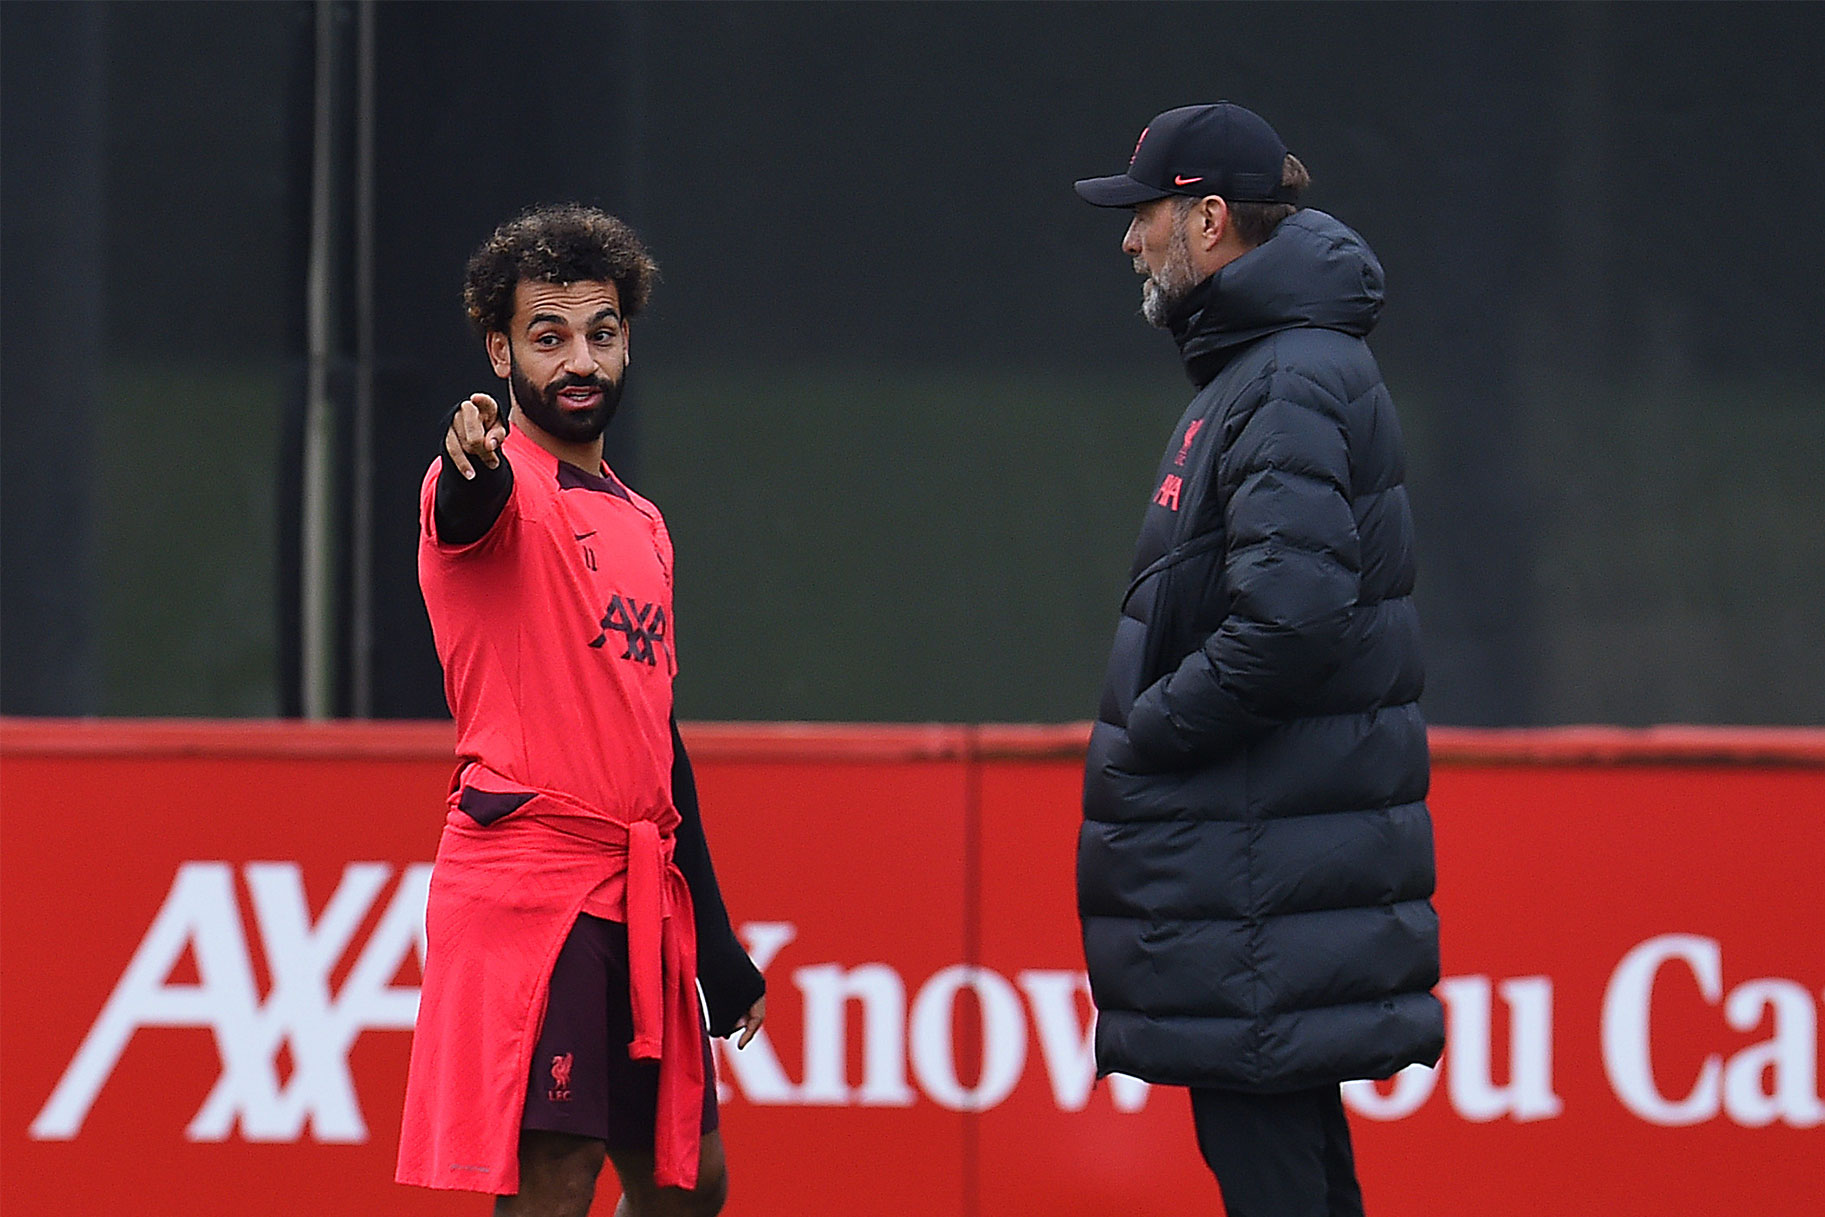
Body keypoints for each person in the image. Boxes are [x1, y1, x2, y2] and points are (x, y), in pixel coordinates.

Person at [1072, 104, 1444, 1217]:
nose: (1130, 241)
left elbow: (1290, 621)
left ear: (1211, 219)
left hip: (1253, 874)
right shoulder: (1273, 368)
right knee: (1294, 1162)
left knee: (1272, 1169)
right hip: (1261, 874)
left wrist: (1154, 727)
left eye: (1146, 216)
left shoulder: (1282, 378)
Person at [396, 203, 766, 1217]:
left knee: (694, 1180)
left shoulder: (645, 522)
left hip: (637, 892)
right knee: (556, 1177)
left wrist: (720, 943)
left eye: (600, 333)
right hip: (532, 889)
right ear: (499, 346)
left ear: (626, 339)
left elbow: (658, 737)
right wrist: (471, 460)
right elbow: (464, 501)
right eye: (547, 336)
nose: (578, 359)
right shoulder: (485, 481)